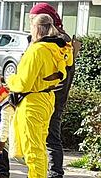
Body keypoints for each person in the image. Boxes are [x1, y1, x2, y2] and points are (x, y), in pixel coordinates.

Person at [6, 13, 73, 178]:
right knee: (40, 145)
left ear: (36, 28)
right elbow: (64, 70)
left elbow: (23, 83)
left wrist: (10, 80)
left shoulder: (37, 50)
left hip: (32, 101)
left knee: (32, 148)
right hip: (47, 98)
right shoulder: (59, 47)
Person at [29, 3, 78, 178]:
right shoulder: (55, 39)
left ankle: (55, 173)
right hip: (48, 96)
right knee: (46, 137)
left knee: (50, 137)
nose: (31, 24)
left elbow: (63, 72)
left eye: (33, 20)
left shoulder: (58, 41)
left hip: (49, 96)